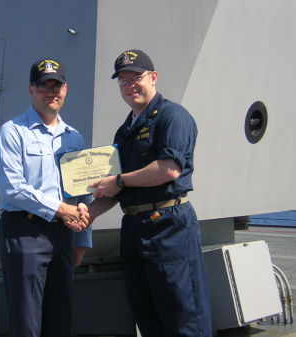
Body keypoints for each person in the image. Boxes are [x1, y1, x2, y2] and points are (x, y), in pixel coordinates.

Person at [87, 49, 212, 337]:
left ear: (153, 77)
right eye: (122, 80)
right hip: (133, 228)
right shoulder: (124, 131)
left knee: (183, 316)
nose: (130, 85)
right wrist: (87, 214)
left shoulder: (173, 116)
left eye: (136, 77)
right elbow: (118, 189)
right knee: (146, 314)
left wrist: (118, 180)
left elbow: (168, 169)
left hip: (169, 226)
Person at [0, 58, 92, 337]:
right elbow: (11, 187)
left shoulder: (74, 138)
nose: (51, 92)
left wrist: (82, 241)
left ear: (66, 89)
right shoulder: (13, 132)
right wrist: (61, 208)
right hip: (25, 231)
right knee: (27, 320)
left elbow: (83, 194)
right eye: (43, 86)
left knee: (60, 315)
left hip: (62, 235)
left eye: (57, 86)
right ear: (31, 90)